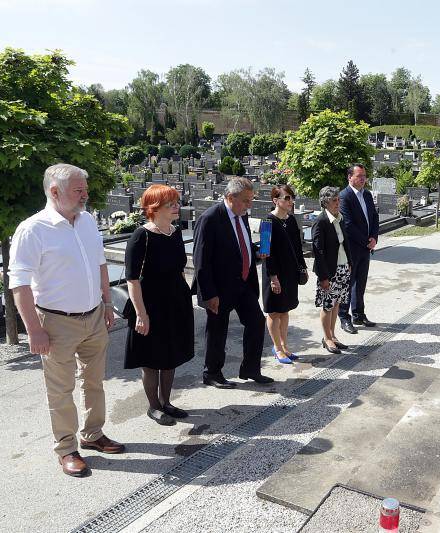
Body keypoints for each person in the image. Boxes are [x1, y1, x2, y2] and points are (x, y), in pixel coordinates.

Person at [9, 163, 125, 477]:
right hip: (56, 323)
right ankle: (66, 448)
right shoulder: (32, 229)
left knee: (94, 382)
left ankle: (93, 435)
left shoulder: (86, 220)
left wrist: (107, 303)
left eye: (84, 189)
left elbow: (101, 263)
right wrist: (34, 330)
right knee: (60, 391)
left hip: (94, 316)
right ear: (55, 192)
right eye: (79, 190)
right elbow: (19, 283)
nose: (86, 195)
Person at [124, 184, 194, 426]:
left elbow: (180, 269)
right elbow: (132, 279)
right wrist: (141, 315)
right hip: (150, 304)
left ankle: (167, 402)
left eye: (176, 202)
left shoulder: (175, 232)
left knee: (171, 355)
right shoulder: (141, 236)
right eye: (171, 204)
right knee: (152, 358)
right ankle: (153, 406)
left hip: (175, 302)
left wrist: (185, 301)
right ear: (154, 208)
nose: (177, 207)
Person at [192, 177, 272, 388]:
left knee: (256, 322)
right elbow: (201, 259)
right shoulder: (210, 218)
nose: (250, 205)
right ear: (230, 197)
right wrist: (209, 294)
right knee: (218, 330)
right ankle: (212, 373)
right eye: (246, 200)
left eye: (251, 200)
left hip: (243, 284)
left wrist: (258, 253)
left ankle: (251, 368)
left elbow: (240, 248)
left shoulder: (241, 216)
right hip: (219, 288)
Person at [262, 184, 306, 364]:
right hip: (274, 274)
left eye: (292, 197)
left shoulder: (292, 220)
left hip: (289, 273)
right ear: (275, 201)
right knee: (274, 312)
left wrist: (302, 268)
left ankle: (285, 346)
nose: (291, 201)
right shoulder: (267, 222)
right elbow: (265, 252)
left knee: (285, 310)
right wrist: (273, 277)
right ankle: (277, 349)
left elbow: (297, 247)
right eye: (287, 198)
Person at [338, 164, 379, 334]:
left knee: (361, 283)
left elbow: (374, 217)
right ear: (350, 177)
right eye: (359, 176)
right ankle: (344, 317)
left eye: (364, 176)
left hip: (366, 248)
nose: (363, 179)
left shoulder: (367, 194)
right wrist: (366, 241)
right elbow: (348, 225)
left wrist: (374, 237)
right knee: (348, 283)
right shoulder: (344, 196)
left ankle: (358, 314)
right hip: (352, 248)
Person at [313, 186, 353, 354]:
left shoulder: (340, 218)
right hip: (329, 271)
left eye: (338, 200)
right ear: (325, 203)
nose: (338, 203)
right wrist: (323, 276)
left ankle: (333, 335)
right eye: (334, 201)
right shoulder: (321, 221)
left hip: (343, 267)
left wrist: (349, 262)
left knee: (336, 303)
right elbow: (318, 250)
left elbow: (344, 243)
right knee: (328, 305)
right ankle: (327, 338)